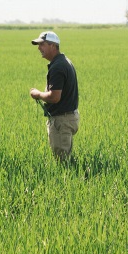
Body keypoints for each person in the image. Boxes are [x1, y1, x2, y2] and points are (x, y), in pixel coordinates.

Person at [29, 31, 79, 161]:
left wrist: (37, 94)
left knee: (62, 162)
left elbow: (54, 97)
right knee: (65, 158)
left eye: (42, 44)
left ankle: (69, 181)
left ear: (53, 45)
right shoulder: (64, 61)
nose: (39, 48)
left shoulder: (58, 66)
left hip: (61, 121)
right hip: (68, 118)